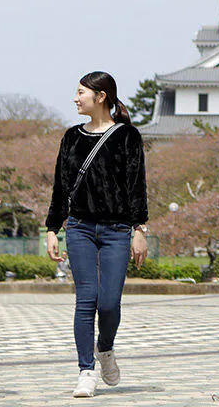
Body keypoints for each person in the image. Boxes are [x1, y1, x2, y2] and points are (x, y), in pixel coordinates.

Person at [45, 71, 149, 398]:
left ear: (100, 96)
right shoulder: (71, 137)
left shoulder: (127, 136)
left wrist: (139, 229)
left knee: (109, 302)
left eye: (81, 93)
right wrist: (51, 228)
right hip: (79, 228)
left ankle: (105, 348)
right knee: (85, 300)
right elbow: (61, 187)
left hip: (118, 229)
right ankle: (85, 370)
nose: (76, 99)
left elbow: (136, 185)